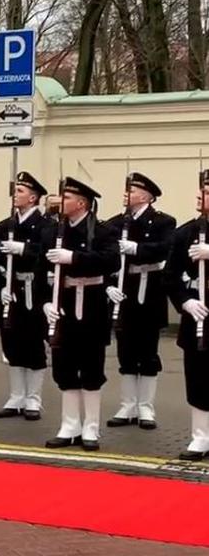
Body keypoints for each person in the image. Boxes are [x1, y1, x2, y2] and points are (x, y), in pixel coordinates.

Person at [42, 177, 119, 451]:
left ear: (82, 203)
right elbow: (41, 267)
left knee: (90, 366)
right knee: (64, 365)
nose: (60, 202)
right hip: (62, 300)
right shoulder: (54, 230)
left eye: (66, 198)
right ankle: (70, 424)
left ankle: (91, 427)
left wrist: (73, 258)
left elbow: (111, 260)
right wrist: (45, 303)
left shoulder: (102, 230)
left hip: (92, 302)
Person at [103, 173, 175, 430]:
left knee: (147, 350)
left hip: (150, 288)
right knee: (126, 350)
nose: (126, 194)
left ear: (146, 196)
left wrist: (136, 249)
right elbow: (105, 255)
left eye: (131, 190)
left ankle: (146, 407)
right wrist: (109, 284)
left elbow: (165, 248)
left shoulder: (163, 221)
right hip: (124, 288)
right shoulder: (115, 223)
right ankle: (128, 404)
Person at [0, 172, 52, 421]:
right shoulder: (5, 226)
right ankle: (17, 396)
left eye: (21, 191)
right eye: (15, 191)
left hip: (34, 291)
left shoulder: (46, 226)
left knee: (34, 345)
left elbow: (48, 254)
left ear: (34, 197)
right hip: (12, 290)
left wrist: (25, 249)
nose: (16, 195)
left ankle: (33, 399)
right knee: (12, 345)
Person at [166, 170, 209, 460]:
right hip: (197, 314)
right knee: (198, 377)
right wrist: (185, 302)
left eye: (206, 190)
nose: (199, 195)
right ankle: (201, 436)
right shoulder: (185, 232)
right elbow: (170, 275)